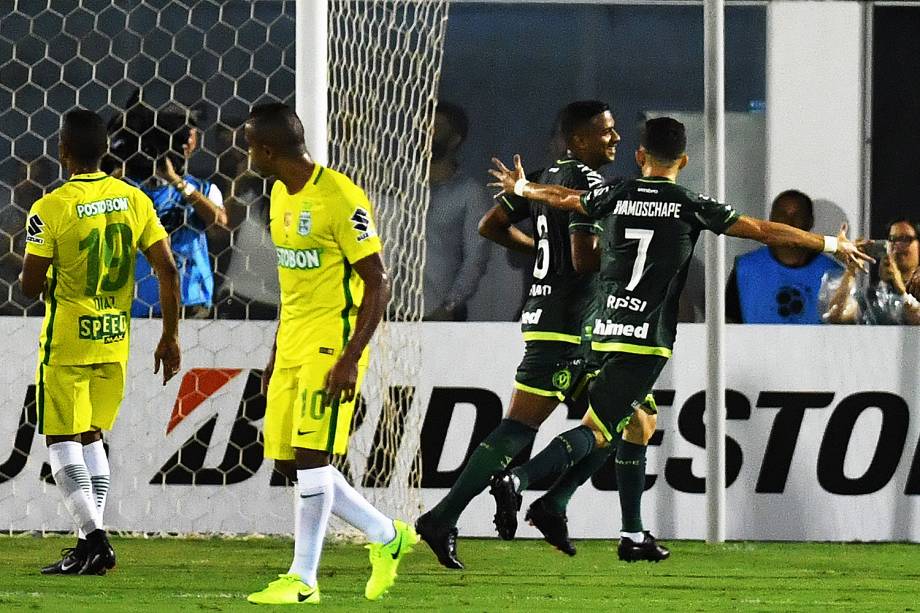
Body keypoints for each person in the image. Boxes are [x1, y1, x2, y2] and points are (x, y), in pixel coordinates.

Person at [486, 117, 870, 560]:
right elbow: (763, 231)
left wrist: (523, 190)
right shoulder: (690, 203)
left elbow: (566, 198)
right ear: (684, 161)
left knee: (640, 423)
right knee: (598, 429)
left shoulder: (617, 192)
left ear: (639, 156)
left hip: (601, 329)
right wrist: (828, 243)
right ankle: (519, 480)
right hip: (644, 339)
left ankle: (629, 535)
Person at [415, 100, 662, 567]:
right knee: (520, 428)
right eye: (606, 132)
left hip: (558, 321)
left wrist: (540, 249)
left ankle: (583, 513)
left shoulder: (544, 178)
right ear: (579, 140)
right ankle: (449, 515)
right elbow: (586, 258)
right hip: (570, 327)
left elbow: (493, 225)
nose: (615, 139)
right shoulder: (589, 185)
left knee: (637, 418)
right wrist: (632, 261)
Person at [243, 103, 417, 605]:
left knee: (313, 456)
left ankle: (303, 579)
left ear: (268, 150)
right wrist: (277, 349)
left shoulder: (339, 196)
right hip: (294, 340)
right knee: (289, 463)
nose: (248, 153)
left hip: (331, 342)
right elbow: (292, 283)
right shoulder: (277, 193)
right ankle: (387, 535)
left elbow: (379, 283)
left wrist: (349, 358)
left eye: (251, 145)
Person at [19, 109, 181, 575]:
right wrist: (170, 336)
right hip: (114, 338)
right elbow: (168, 271)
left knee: (61, 439)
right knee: (92, 436)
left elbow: (30, 285)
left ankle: (96, 538)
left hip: (68, 338)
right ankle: (86, 545)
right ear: (105, 150)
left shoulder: (50, 207)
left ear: (62, 150)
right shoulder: (133, 200)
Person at [110, 102, 227, 318]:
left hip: (189, 303)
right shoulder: (122, 189)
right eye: (179, 132)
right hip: (135, 305)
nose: (187, 138)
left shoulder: (203, 189)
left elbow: (219, 229)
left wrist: (176, 181)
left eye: (190, 131)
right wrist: (123, 164)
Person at [726, 190, 841, 323]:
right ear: (771, 220)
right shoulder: (745, 268)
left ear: (810, 221)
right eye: (782, 215)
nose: (789, 223)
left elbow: (844, 328)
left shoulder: (833, 273)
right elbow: (728, 324)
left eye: (797, 215)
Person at [423, 100, 491, 320]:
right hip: (397, 310)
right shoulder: (402, 186)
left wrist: (449, 306)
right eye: (425, 126)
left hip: (441, 312)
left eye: (436, 129)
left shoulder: (470, 193)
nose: (427, 134)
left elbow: (475, 258)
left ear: (454, 140)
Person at [822, 218, 920, 324]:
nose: (897, 246)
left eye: (905, 239)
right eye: (892, 239)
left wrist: (902, 293)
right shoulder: (873, 296)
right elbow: (835, 316)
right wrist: (851, 270)